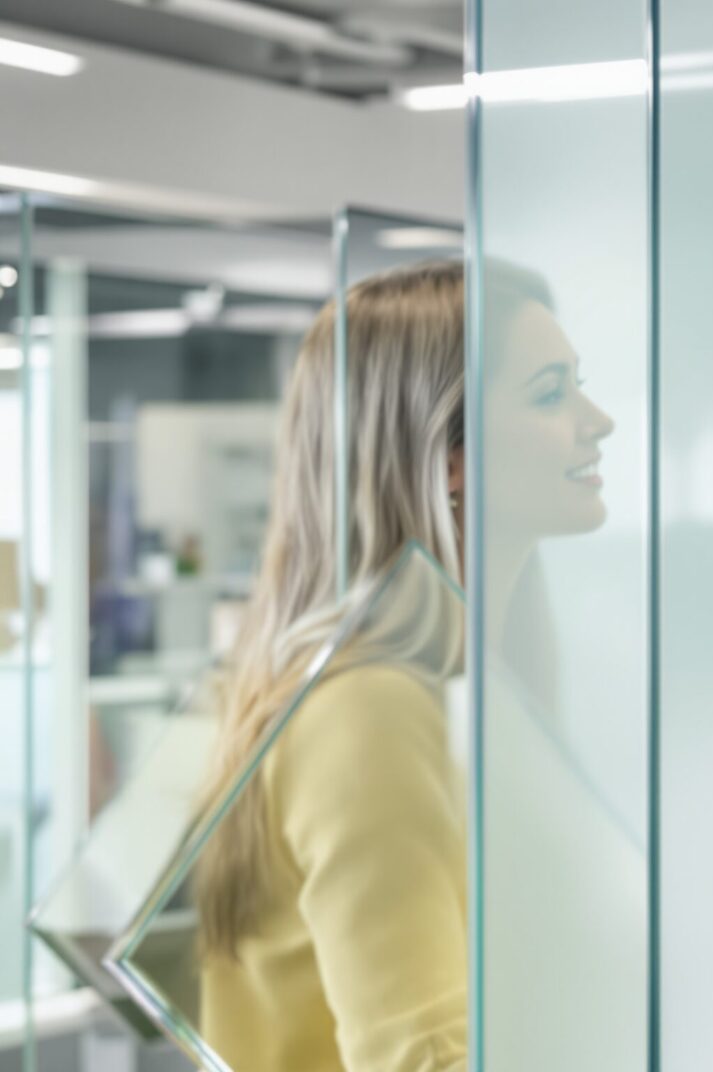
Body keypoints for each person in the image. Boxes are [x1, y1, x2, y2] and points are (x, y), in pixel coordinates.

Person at [191, 260, 614, 1072]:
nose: (599, 422)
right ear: (446, 455)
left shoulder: (456, 686)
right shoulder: (370, 706)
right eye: (551, 394)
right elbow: (422, 1059)